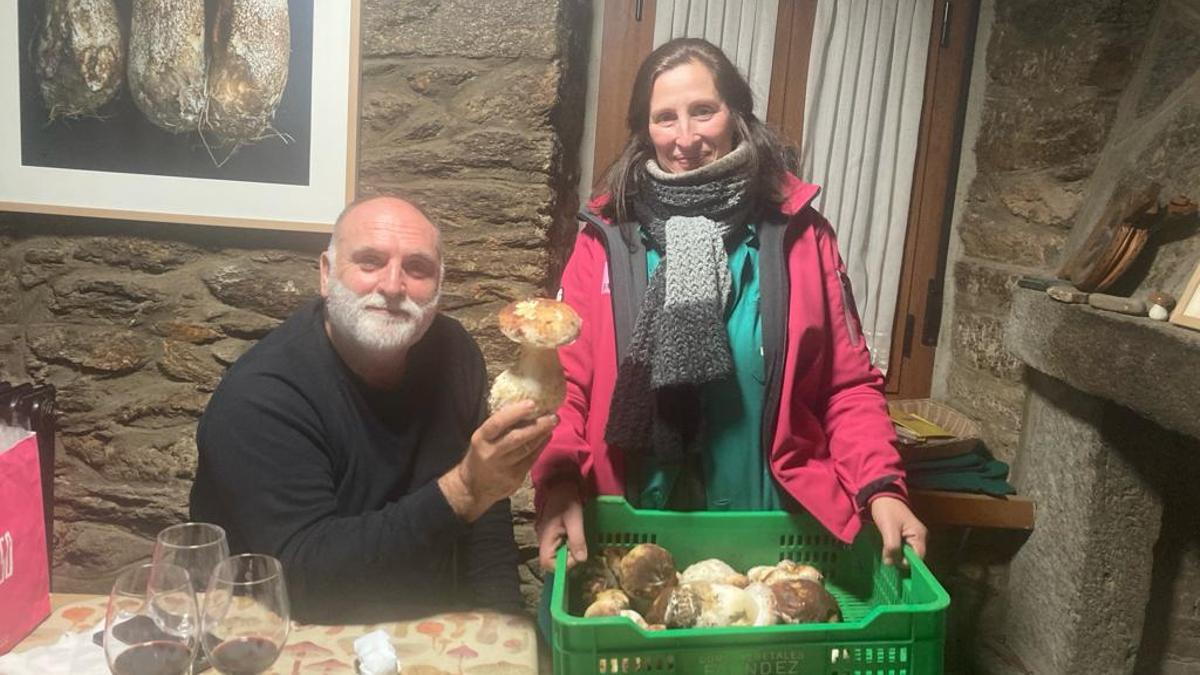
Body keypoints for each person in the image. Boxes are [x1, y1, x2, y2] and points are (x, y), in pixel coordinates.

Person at [533, 38, 927, 581]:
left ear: (737, 115)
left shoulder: (800, 234)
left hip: (771, 536)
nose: (686, 139)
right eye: (664, 118)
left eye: (703, 111)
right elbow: (564, 386)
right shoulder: (606, 237)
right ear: (644, 131)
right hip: (626, 529)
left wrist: (880, 487)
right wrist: (557, 481)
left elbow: (846, 384)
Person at [190, 196, 556, 623]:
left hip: (427, 627)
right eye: (370, 262)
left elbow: (487, 510)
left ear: (439, 285)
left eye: (417, 269)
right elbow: (304, 579)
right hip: (289, 633)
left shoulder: (454, 352)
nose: (393, 286)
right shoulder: (261, 397)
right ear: (327, 275)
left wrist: (501, 625)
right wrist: (464, 489)